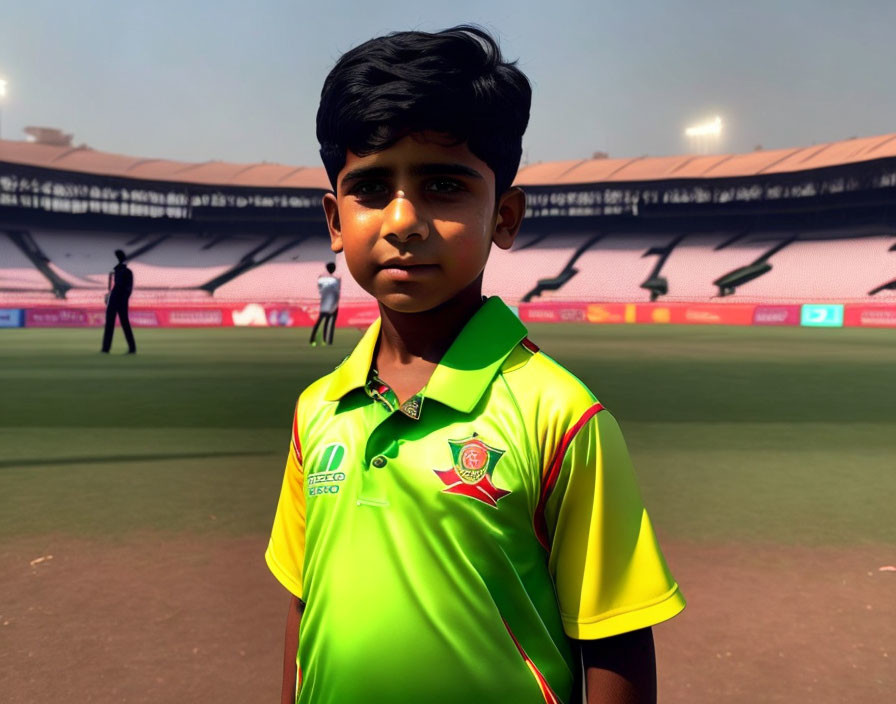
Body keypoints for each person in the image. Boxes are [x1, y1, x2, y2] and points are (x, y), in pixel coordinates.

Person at [266, 26, 685, 704]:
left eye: (443, 185)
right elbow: (302, 602)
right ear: (335, 219)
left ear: (505, 217)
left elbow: (615, 639)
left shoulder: (561, 416)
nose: (404, 220)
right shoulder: (318, 408)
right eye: (371, 188)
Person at [101, 249, 136, 354]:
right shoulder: (124, 271)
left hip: (117, 299)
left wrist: (111, 296)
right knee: (122, 324)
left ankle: (106, 349)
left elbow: (122, 288)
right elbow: (127, 289)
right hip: (119, 299)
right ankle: (131, 348)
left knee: (112, 324)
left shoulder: (121, 271)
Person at [309, 262, 340, 346]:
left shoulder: (321, 278)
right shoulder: (336, 279)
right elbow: (337, 293)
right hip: (333, 304)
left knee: (320, 322)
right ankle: (328, 341)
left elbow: (320, 290)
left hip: (324, 304)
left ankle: (313, 339)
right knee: (330, 323)